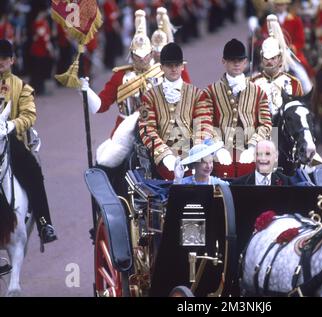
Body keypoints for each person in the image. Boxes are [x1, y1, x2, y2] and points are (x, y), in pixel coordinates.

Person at [80, 9, 163, 193]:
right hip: (125, 132)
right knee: (106, 163)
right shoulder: (121, 76)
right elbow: (100, 106)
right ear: (131, 55)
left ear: (151, 54)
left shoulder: (161, 73)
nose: (142, 60)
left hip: (158, 128)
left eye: (145, 55)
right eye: (137, 56)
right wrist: (86, 91)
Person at [0, 39, 56, 246]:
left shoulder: (22, 87)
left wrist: (11, 126)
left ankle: (44, 223)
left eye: (4, 58)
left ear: (12, 60)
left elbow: (29, 115)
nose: (1, 62)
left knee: (33, 172)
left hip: (11, 139)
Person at [195, 38, 272, 178]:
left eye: (240, 60)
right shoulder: (210, 92)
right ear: (224, 61)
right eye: (232, 60)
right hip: (221, 151)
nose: (236, 63)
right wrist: (217, 147)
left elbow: (265, 124)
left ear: (245, 62)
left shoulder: (259, 92)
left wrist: (253, 146)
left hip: (250, 150)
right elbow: (205, 124)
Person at [139, 42, 202, 180]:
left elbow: (204, 123)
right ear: (161, 67)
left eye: (177, 65)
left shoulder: (197, 94)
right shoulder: (149, 96)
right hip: (163, 162)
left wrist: (197, 149)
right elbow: (146, 129)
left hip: (192, 159)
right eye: (169, 65)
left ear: (182, 66)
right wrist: (164, 155)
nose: (174, 69)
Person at [251, 14, 304, 116]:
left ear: (279, 58)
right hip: (261, 130)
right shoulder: (252, 83)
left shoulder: (294, 83)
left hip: (285, 130)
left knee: (303, 76)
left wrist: (292, 48)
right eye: (266, 59)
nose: (269, 62)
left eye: (273, 58)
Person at [150, 7, 191, 83]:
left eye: (161, 50)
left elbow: (187, 85)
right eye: (156, 50)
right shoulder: (149, 66)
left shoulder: (177, 65)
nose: (158, 54)